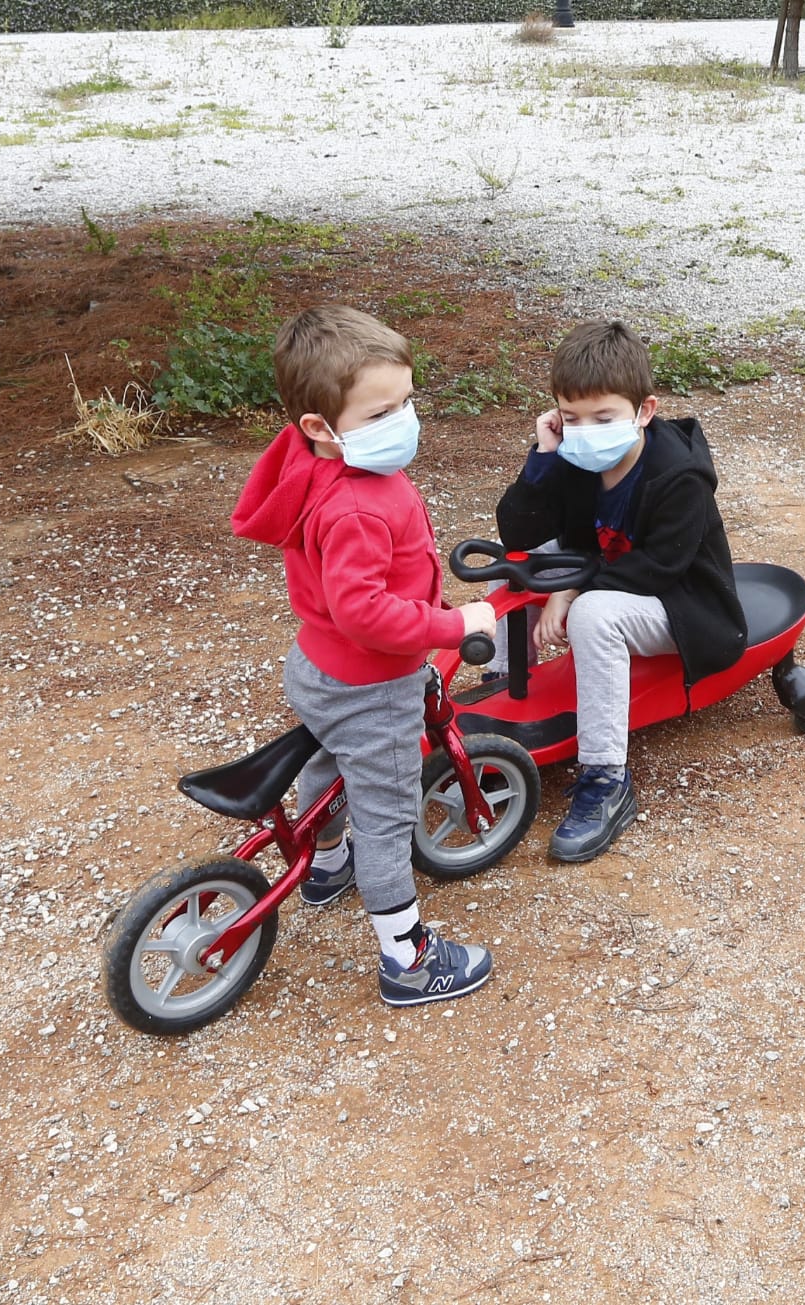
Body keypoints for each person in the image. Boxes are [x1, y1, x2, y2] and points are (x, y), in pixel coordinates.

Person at [231, 305, 498, 1006]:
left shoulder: (310, 461)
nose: (403, 421)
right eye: (382, 413)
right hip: (370, 681)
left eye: (406, 402)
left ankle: (322, 862)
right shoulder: (352, 507)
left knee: (327, 756)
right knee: (385, 810)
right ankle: (407, 958)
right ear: (319, 426)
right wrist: (450, 622)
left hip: (317, 668)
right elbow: (364, 611)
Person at [495, 319, 748, 862]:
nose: (585, 430)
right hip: (617, 585)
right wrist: (542, 459)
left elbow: (659, 567)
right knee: (514, 564)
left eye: (603, 417)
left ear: (644, 412)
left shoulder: (679, 476)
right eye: (571, 417)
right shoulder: (577, 457)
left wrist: (568, 591)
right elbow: (516, 533)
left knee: (593, 614)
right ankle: (503, 695)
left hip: (685, 609)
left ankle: (607, 779)